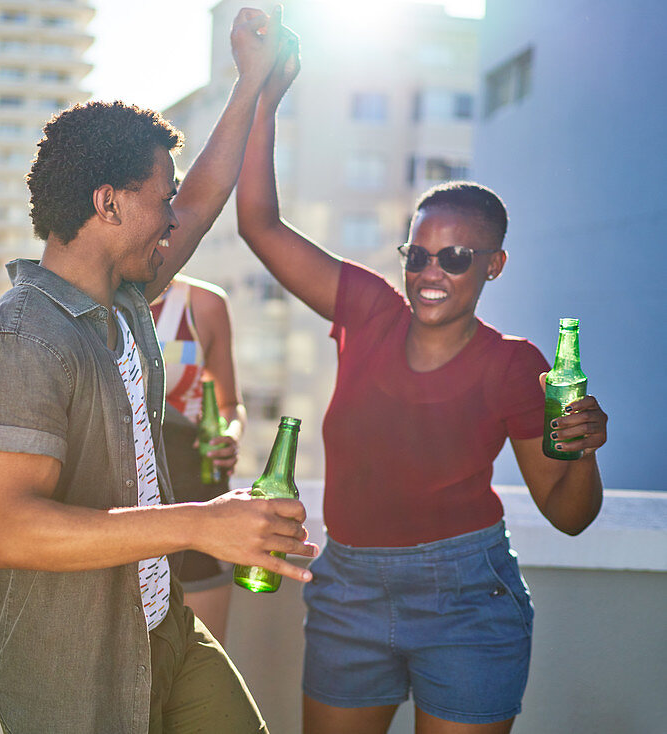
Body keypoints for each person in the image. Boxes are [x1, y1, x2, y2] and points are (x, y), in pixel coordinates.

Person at [0, 9, 319, 732]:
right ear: (108, 203)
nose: (175, 216)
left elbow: (205, 201)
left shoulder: (123, 299)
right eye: (161, 197)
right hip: (75, 668)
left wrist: (250, 84)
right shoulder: (26, 338)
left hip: (167, 631)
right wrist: (202, 526)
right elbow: (12, 532)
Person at [236, 35, 608, 734]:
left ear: (494, 265)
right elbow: (258, 225)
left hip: (467, 598)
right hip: (347, 590)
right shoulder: (367, 310)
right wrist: (265, 98)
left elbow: (570, 513)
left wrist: (584, 446)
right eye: (419, 253)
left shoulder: (515, 364)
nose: (431, 271)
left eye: (457, 257)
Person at [150, 272, 246, 644]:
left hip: (195, 493)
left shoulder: (204, 303)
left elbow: (230, 405)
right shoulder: (93, 295)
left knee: (199, 664)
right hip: (114, 503)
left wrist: (230, 436)